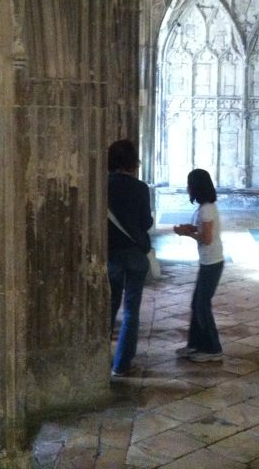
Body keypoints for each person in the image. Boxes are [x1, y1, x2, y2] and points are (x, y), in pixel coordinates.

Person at [107, 139, 153, 377]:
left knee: (108, 308)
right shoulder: (140, 188)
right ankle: (122, 364)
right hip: (135, 255)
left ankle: (99, 359)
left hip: (111, 254)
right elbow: (146, 222)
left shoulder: (102, 185)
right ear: (133, 162)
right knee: (131, 311)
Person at [173, 169, 224, 362]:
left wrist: (187, 234)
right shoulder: (205, 207)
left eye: (189, 184)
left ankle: (213, 349)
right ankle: (194, 345)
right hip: (208, 261)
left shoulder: (207, 209)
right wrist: (189, 227)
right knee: (197, 303)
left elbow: (207, 238)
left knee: (202, 305)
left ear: (196, 187)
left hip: (212, 261)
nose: (187, 188)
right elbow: (203, 229)